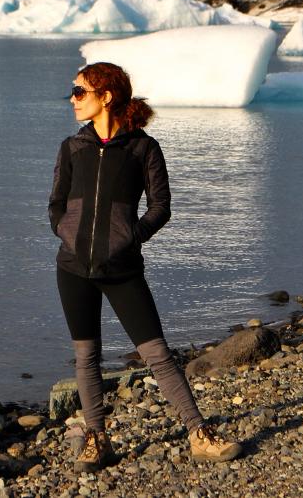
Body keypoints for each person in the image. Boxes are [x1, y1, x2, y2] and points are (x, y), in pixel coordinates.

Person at [49, 61, 243, 472]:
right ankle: (97, 438)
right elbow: (56, 204)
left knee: (156, 354)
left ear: (106, 96)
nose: (72, 99)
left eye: (80, 91)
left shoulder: (143, 148)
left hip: (122, 269)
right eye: (73, 91)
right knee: (86, 357)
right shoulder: (72, 148)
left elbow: (161, 208)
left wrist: (130, 237)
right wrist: (66, 232)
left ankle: (198, 432)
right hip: (72, 268)